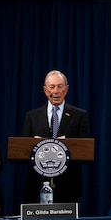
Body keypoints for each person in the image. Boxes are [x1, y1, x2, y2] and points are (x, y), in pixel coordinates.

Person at [22, 70, 91, 204]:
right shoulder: (32, 116)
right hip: (37, 183)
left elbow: (85, 147)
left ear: (67, 89)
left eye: (60, 86)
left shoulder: (79, 115)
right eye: (52, 87)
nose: (56, 91)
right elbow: (24, 148)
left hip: (68, 184)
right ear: (45, 90)